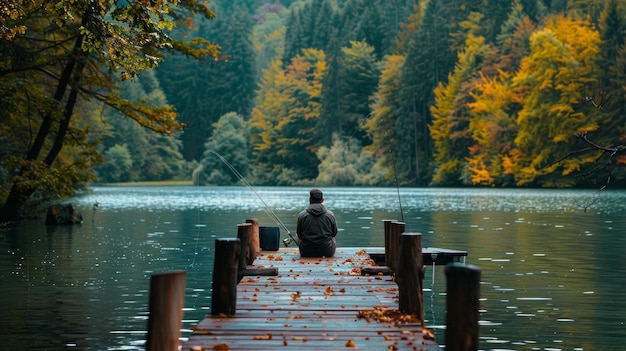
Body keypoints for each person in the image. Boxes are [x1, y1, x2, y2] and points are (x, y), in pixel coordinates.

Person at [296, 188, 338, 257]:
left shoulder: (302, 215)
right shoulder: (330, 215)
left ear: (310, 199)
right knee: (332, 238)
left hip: (306, 252)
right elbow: (334, 233)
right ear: (322, 200)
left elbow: (299, 234)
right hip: (327, 252)